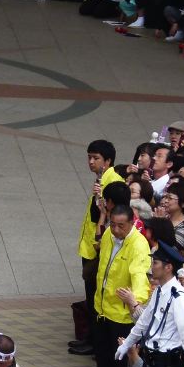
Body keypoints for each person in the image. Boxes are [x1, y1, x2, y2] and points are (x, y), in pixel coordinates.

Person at [84, 206, 151, 367]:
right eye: (112, 224)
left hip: (122, 313)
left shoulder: (139, 245)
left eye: (121, 225)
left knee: (122, 360)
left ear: (132, 223)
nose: (115, 229)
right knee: (103, 354)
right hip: (102, 306)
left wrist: (135, 303)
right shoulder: (108, 235)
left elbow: (140, 276)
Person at [72, 140, 124, 355]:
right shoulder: (102, 179)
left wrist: (99, 198)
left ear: (108, 161)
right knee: (91, 295)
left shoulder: (113, 182)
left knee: (95, 297)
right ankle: (90, 338)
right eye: (89, 157)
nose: (91, 162)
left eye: (96, 158)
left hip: (98, 248)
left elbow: (104, 214)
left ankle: (93, 342)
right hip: (90, 246)